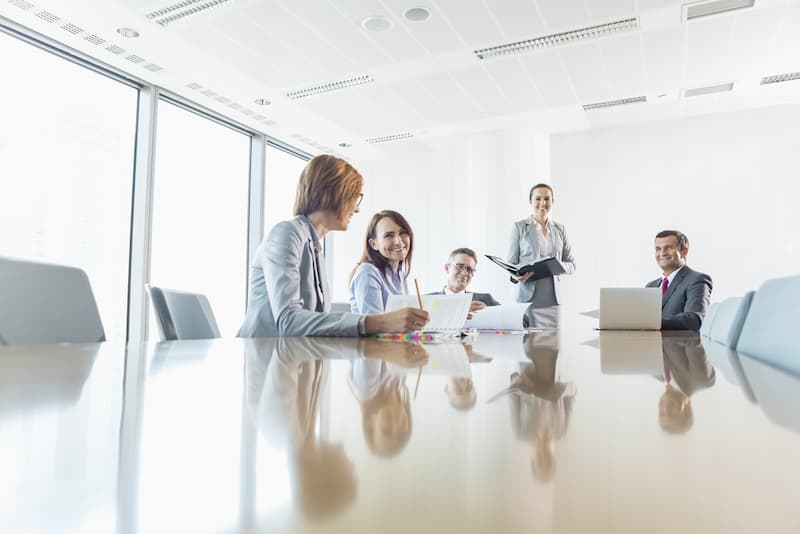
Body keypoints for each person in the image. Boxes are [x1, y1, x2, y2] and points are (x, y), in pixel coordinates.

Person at [238, 156, 428, 337]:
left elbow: (317, 322)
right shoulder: (287, 233)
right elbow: (289, 321)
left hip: (297, 361)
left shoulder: (315, 248)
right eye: (355, 197)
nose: (357, 208)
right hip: (264, 360)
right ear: (332, 194)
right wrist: (379, 322)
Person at [507, 184, 576, 329]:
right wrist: (515, 275)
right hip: (528, 297)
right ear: (530, 201)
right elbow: (511, 263)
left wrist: (556, 266)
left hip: (552, 298)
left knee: (552, 346)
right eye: (538, 198)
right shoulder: (519, 227)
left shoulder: (559, 229)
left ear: (553, 201)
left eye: (547, 198)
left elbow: (571, 265)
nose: (543, 203)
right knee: (529, 346)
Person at [349, 210, 415, 315]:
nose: (398, 241)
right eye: (389, 235)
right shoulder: (368, 272)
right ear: (374, 244)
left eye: (402, 233)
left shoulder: (400, 273)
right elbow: (375, 325)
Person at [645, 230, 712, 331]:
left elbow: (694, 319)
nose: (662, 253)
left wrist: (651, 323)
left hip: (678, 345)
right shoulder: (651, 286)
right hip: (650, 343)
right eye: (658, 249)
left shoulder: (697, 280)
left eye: (668, 248)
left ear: (684, 252)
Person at [658, 331, 716, 433]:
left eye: (661, 413)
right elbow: (692, 338)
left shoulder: (658, 375)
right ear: (687, 411)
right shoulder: (701, 380)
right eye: (671, 414)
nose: (665, 408)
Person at [429, 247, 500, 316]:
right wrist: (461, 310)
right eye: (460, 266)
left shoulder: (486, 300)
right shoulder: (426, 301)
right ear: (447, 268)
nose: (464, 273)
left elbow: (507, 317)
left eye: (469, 269)